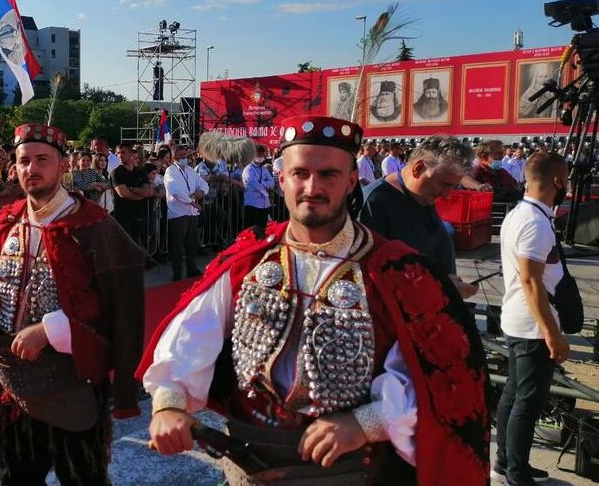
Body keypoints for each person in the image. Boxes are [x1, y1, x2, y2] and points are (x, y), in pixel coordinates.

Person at [139, 115, 489, 484]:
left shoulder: (396, 270)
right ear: (282, 179)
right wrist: (169, 403)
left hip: (350, 469)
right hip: (246, 462)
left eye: (328, 175)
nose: (312, 186)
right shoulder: (248, 260)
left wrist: (364, 422)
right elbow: (192, 335)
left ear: (352, 180)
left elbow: (434, 378)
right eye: (300, 173)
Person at [0, 122, 145, 484]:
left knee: (82, 477)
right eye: (24, 161)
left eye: (42, 159)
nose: (32, 169)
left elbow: (116, 307)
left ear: (63, 166)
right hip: (13, 381)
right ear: (13, 167)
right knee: (14, 477)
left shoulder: (94, 225)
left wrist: (49, 331)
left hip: (72, 379)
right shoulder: (8, 219)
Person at [494, 151, 570, 485]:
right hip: (531, 325)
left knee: (514, 393)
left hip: (521, 319)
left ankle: (506, 463)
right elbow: (531, 281)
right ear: (557, 181)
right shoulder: (536, 222)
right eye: (565, 179)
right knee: (527, 399)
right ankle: (517, 473)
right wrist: (552, 333)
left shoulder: (522, 213)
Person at [359, 135, 479, 297]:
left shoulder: (422, 195)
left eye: (453, 186)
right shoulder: (375, 202)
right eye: (445, 184)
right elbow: (371, 278)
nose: (447, 195)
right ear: (418, 168)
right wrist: (437, 287)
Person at [164, 146, 208, 281]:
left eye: (185, 155)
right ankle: (177, 272)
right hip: (178, 213)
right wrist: (190, 201)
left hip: (192, 213)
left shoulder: (190, 170)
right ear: (174, 158)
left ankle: (192, 269)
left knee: (192, 244)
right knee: (177, 245)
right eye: (181, 156)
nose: (184, 158)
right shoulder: (170, 171)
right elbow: (175, 190)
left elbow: (204, 185)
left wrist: (201, 193)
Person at [112, 144, 155, 245]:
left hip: (140, 214)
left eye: (123, 152)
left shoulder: (140, 173)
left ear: (130, 154)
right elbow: (123, 194)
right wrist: (141, 194)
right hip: (123, 216)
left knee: (139, 243)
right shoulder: (116, 173)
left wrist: (132, 189)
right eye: (118, 153)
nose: (120, 155)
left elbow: (149, 191)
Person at [241, 144, 276, 232]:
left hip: (264, 205)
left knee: (262, 230)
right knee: (251, 231)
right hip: (253, 204)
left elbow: (272, 183)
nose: (261, 157)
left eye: (262, 155)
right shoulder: (248, 170)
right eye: (258, 155)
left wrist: (263, 183)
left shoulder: (264, 169)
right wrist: (264, 187)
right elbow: (255, 185)